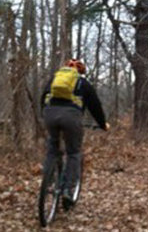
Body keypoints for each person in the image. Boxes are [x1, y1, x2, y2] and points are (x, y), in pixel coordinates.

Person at [40, 58, 109, 209]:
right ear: (81, 71)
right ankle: (68, 191)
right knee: (73, 152)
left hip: (49, 114)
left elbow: (43, 98)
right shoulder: (83, 83)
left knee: (52, 148)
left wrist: (44, 116)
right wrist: (103, 124)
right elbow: (95, 106)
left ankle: (48, 181)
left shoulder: (54, 80)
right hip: (71, 117)